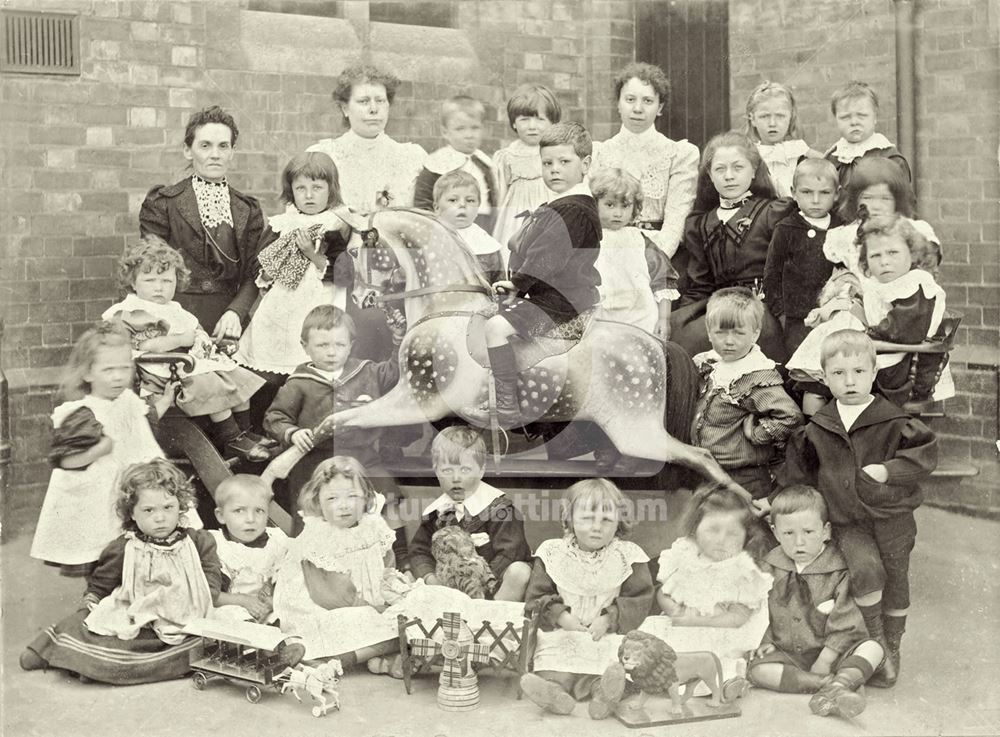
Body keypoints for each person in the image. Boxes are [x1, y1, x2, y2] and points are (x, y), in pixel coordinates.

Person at [773, 329, 938, 688]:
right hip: (847, 520)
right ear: (824, 377)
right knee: (864, 571)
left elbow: (923, 456)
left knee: (896, 581)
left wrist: (889, 470)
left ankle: (891, 647)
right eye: (838, 374)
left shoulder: (893, 420)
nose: (849, 381)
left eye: (858, 372)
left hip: (893, 517)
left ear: (874, 371)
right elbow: (799, 475)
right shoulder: (818, 427)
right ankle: (873, 642)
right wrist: (781, 502)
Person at [21, 460, 226, 684]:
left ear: (181, 506)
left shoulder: (197, 541)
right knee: (95, 624)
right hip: (138, 616)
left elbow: (211, 572)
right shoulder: (125, 546)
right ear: (132, 514)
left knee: (206, 642)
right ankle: (48, 651)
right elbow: (102, 582)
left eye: (168, 507)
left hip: (184, 617)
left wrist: (205, 598)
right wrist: (91, 603)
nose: (160, 517)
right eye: (148, 510)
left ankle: (92, 666)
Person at [103, 237, 271, 462]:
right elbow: (145, 345)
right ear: (133, 282)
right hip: (156, 372)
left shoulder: (175, 309)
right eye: (150, 280)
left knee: (235, 374)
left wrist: (203, 340)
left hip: (181, 365)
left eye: (166, 281)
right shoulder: (131, 311)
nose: (159, 287)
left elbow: (196, 330)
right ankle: (230, 438)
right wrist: (181, 339)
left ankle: (243, 432)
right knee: (209, 382)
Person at [29, 324, 179, 576]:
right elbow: (64, 460)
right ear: (88, 373)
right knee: (102, 555)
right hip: (97, 495)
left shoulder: (128, 400)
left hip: (133, 485)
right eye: (108, 370)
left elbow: (142, 426)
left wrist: (164, 401)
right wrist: (99, 449)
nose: (118, 377)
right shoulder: (83, 412)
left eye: (124, 368)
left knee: (135, 553)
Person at [263, 305, 407, 559]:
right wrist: (293, 433)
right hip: (314, 461)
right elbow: (275, 418)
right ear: (304, 345)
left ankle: (399, 556)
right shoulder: (299, 383)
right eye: (322, 345)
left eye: (339, 345)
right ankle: (306, 562)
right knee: (309, 508)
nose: (331, 352)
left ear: (351, 344)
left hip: (361, 455)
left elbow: (395, 373)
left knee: (389, 495)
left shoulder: (366, 372)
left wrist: (398, 341)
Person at [486, 121, 602, 427]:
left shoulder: (575, 210)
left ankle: (507, 406)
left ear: (585, 164)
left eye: (565, 162)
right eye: (548, 163)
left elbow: (548, 258)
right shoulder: (559, 205)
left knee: (495, 328)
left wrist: (517, 283)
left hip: (562, 302)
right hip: (551, 295)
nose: (554, 169)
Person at [519, 479, 653, 719]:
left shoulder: (627, 556)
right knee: (555, 654)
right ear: (569, 519)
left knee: (611, 662)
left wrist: (609, 619)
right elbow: (536, 596)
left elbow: (640, 599)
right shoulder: (554, 553)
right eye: (587, 519)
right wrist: (560, 615)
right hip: (564, 629)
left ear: (618, 523)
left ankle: (604, 696)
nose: (596, 528)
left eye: (606, 520)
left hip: (607, 632)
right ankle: (555, 693)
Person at [749, 485, 886, 719]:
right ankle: (829, 686)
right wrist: (766, 639)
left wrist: (826, 658)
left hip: (834, 650)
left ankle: (842, 679)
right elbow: (761, 609)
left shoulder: (839, 569)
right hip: (791, 650)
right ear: (775, 532)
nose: (798, 542)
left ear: (825, 531)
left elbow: (846, 620)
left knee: (873, 648)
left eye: (809, 532)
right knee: (757, 671)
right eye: (788, 534)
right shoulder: (770, 565)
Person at [787, 217, 950, 412]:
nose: (885, 262)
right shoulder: (882, 284)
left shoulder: (916, 284)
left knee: (826, 380)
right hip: (877, 357)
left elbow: (903, 329)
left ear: (913, 254)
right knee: (814, 384)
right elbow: (870, 311)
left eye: (893, 253)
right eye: (875, 256)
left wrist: (862, 335)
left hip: (895, 367)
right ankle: (817, 432)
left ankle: (822, 428)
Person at [139, 105, 265, 339]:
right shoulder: (163, 203)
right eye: (205, 145)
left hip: (229, 319)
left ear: (232, 152)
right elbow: (153, 268)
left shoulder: (248, 209)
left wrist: (236, 312)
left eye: (223, 146)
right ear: (188, 150)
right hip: (175, 315)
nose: (215, 154)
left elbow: (254, 273)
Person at [670, 130, 793, 361]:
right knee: (683, 339)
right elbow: (699, 285)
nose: (729, 176)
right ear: (709, 174)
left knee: (760, 331)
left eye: (738, 168)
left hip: (761, 306)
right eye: (720, 169)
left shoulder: (772, 212)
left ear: (754, 170)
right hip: (717, 306)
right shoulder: (700, 223)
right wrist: (682, 320)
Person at [236, 151, 361, 376]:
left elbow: (346, 272)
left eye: (317, 188)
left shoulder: (337, 223)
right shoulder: (282, 224)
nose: (309, 196)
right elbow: (259, 264)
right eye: (300, 188)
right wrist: (269, 272)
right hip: (281, 303)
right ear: (291, 190)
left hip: (320, 301)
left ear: (331, 189)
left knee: (313, 356)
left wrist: (310, 254)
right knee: (269, 358)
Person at [272, 457, 403, 661]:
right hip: (326, 607)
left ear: (366, 497)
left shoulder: (373, 526)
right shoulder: (318, 536)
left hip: (370, 603)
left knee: (406, 617)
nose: (343, 506)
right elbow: (327, 594)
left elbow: (386, 564)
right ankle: (346, 657)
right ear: (317, 502)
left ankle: (361, 655)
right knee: (363, 621)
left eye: (352, 496)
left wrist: (394, 593)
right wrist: (371, 608)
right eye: (332, 499)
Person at [653, 485, 771, 693]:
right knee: (655, 640)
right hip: (682, 625)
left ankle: (728, 683)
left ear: (746, 537)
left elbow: (739, 617)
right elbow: (663, 592)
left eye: (733, 534)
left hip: (720, 630)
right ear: (695, 528)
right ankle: (656, 676)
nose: (721, 540)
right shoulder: (684, 556)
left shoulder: (742, 570)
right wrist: (674, 610)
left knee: (718, 656)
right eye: (713, 530)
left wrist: (699, 621)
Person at [691, 289, 803, 500]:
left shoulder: (754, 375)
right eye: (720, 332)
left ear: (755, 333)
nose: (729, 341)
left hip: (744, 476)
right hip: (707, 470)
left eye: (739, 333)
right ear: (708, 331)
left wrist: (757, 435)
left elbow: (791, 417)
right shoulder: (708, 363)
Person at [409, 426, 532, 602]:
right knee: (414, 580)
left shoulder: (499, 509)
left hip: (492, 587)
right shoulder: (437, 512)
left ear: (481, 470)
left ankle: (490, 621)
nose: (456, 478)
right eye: (447, 470)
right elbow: (418, 551)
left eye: (465, 470)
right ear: (436, 471)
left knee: (519, 571)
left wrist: (474, 585)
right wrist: (431, 579)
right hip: (451, 589)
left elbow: (511, 553)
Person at [590, 62, 699, 258]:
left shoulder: (679, 154)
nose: (638, 108)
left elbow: (676, 222)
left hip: (658, 257)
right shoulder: (599, 152)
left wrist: (653, 263)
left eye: (648, 101)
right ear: (618, 104)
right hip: (606, 254)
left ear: (660, 107)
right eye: (630, 99)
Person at [307, 63, 426, 212]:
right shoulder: (322, 156)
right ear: (345, 108)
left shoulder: (413, 157)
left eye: (380, 101)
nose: (374, 109)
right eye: (364, 101)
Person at [762, 157, 843, 356]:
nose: (815, 200)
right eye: (807, 192)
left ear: (836, 194)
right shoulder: (787, 229)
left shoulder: (842, 228)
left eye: (824, 193)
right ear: (793, 192)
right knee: (801, 361)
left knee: (833, 356)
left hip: (834, 313)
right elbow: (772, 274)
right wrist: (781, 314)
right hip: (797, 318)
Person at [590, 167, 678, 337]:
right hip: (601, 317)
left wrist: (664, 319)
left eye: (625, 206)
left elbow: (662, 280)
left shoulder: (639, 240)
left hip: (640, 317)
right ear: (595, 204)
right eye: (610, 205)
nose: (618, 213)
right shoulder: (589, 239)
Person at [823, 156, 942, 279]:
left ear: (897, 201)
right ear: (856, 200)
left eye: (885, 198)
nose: (876, 207)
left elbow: (928, 273)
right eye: (868, 198)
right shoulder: (844, 236)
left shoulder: (913, 230)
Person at [492, 84, 561, 260]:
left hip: (550, 213)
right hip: (515, 218)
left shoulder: (558, 152)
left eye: (540, 119)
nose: (532, 126)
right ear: (514, 123)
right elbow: (499, 195)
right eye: (524, 119)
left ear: (553, 122)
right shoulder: (506, 156)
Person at [210, 474, 289, 623]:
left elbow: (288, 581)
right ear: (221, 516)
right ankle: (251, 644)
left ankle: (286, 642)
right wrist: (244, 601)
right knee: (226, 615)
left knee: (289, 612)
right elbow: (211, 595)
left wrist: (273, 601)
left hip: (267, 607)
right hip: (232, 605)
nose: (251, 519)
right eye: (239, 511)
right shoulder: (216, 545)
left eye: (259, 511)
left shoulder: (277, 540)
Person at [414, 95, 498, 232]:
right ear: (445, 132)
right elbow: (422, 203)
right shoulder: (437, 163)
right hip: (447, 228)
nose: (469, 135)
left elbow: (492, 201)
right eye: (460, 129)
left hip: (482, 225)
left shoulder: (484, 163)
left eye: (475, 128)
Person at [824, 81, 911, 199]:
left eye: (862, 115)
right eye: (845, 117)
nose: (854, 122)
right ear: (836, 119)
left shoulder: (890, 158)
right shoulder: (832, 158)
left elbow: (904, 202)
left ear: (875, 117)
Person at [743, 81, 822, 198]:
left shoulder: (797, 149)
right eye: (764, 116)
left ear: (790, 117)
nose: (772, 123)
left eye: (780, 116)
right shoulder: (751, 153)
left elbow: (827, 163)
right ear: (753, 119)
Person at [432, 170, 504, 284]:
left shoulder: (486, 243)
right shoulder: (429, 239)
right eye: (453, 200)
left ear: (478, 207)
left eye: (470, 200)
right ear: (436, 208)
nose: (462, 205)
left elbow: (499, 282)